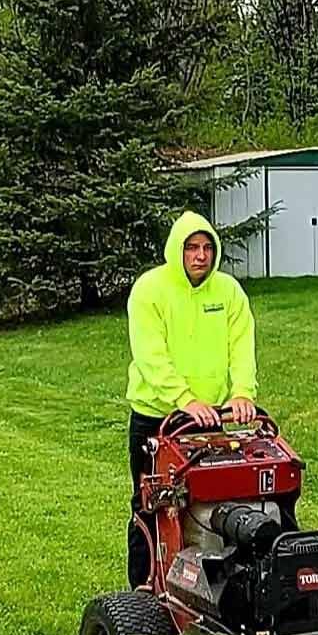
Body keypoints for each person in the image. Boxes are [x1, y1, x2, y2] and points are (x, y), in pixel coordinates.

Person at [125, 208, 257, 586]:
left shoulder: (228, 292)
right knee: (152, 505)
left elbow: (242, 345)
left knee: (219, 501)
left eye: (206, 248)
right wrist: (183, 399)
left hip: (212, 421)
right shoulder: (150, 290)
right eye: (191, 248)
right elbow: (151, 356)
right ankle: (144, 587)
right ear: (176, 251)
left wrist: (243, 393)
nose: (200, 256)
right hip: (158, 419)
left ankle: (219, 584)